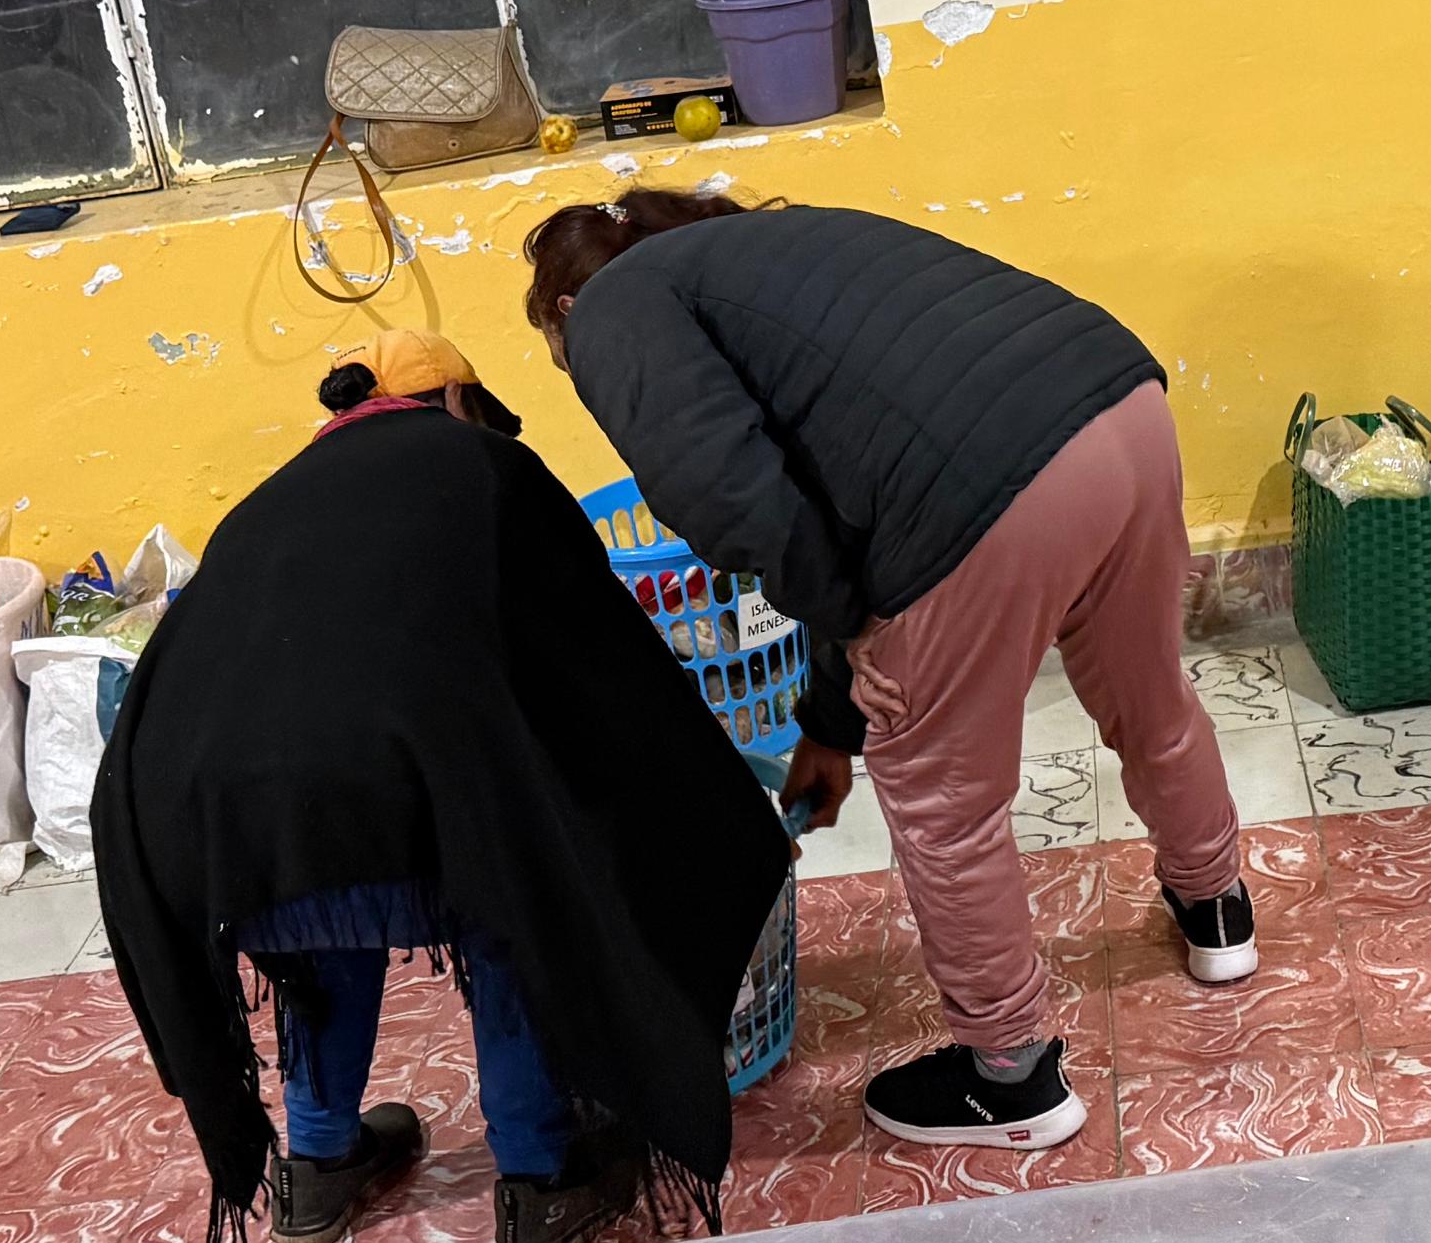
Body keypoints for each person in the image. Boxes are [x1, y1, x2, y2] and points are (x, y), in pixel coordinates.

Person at [522, 190, 1251, 1153]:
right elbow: (840, 499)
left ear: (566, 308)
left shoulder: (615, 307)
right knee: (1148, 692)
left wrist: (857, 620)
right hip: (1119, 405)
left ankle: (1011, 1077)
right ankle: (1216, 908)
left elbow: (729, 493)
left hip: (985, 483)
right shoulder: (761, 256)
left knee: (944, 797)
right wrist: (830, 722)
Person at [92, 328, 787, 1243]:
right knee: (515, 884)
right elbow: (590, 649)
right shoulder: (487, 466)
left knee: (318, 926)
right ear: (459, 402)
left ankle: (317, 1164)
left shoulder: (270, 497)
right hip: (399, 794)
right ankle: (540, 1176)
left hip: (209, 824)